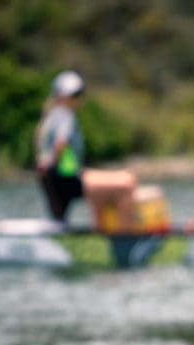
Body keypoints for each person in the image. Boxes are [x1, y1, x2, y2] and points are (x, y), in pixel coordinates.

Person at [35, 70, 137, 228]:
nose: (78, 99)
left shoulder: (50, 116)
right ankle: (124, 242)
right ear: (62, 97)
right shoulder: (65, 115)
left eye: (79, 94)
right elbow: (60, 143)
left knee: (62, 219)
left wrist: (50, 167)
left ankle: (102, 238)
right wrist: (54, 164)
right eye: (74, 95)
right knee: (126, 183)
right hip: (66, 177)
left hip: (53, 178)